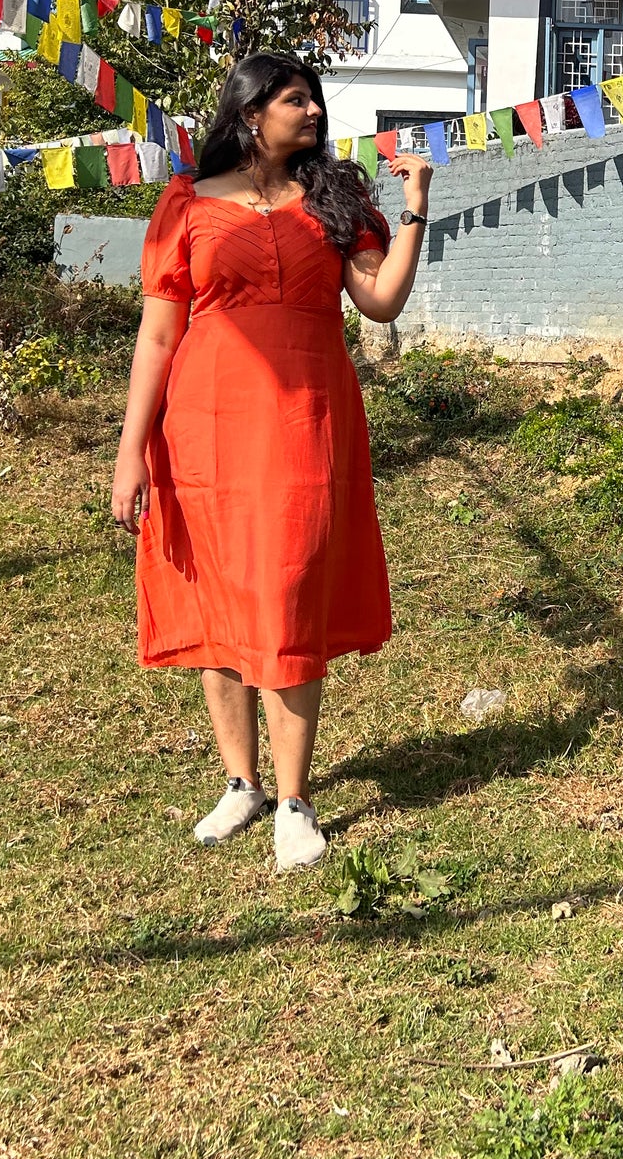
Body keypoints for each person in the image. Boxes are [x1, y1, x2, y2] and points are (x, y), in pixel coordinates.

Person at [111, 52, 432, 873]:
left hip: (304, 422)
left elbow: (380, 301)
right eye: (297, 99)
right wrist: (131, 451)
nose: (314, 111)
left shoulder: (336, 199)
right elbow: (158, 336)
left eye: (315, 99)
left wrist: (415, 213)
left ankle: (294, 799)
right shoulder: (186, 202)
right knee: (218, 597)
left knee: (289, 593)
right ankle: (240, 783)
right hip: (203, 428)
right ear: (251, 113)